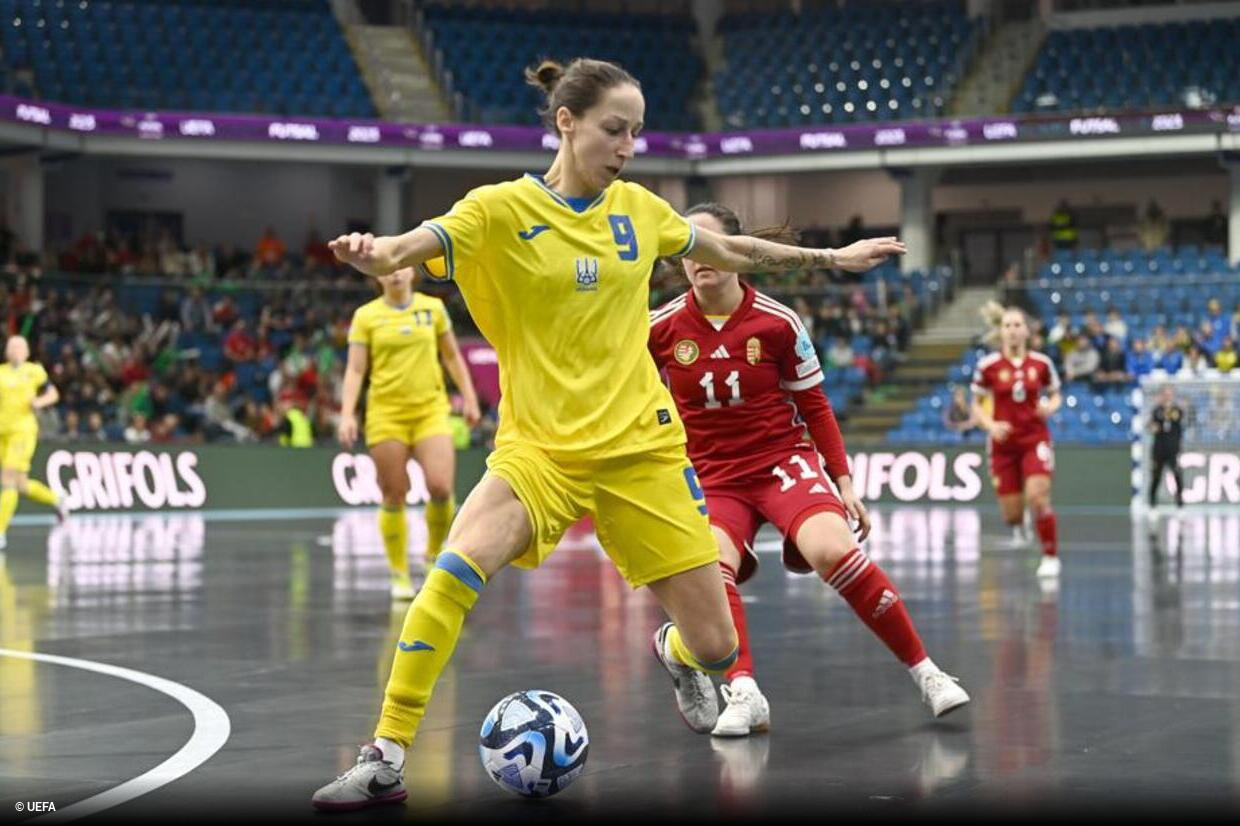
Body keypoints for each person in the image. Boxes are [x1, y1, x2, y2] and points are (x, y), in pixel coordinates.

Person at [312, 57, 906, 810]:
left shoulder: (640, 209)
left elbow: (729, 252)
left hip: (643, 451)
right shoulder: (496, 211)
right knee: (452, 575)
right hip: (539, 451)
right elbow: (404, 250)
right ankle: (385, 756)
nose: (627, 146)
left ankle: (674, 652)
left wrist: (832, 256)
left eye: (636, 133)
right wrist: (374, 253)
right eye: (614, 129)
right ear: (567, 121)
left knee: (718, 647)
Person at [649, 202, 970, 736]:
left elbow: (816, 406)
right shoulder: (658, 329)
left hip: (781, 461)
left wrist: (844, 484)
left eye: (710, 245)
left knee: (833, 549)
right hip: (710, 474)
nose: (699, 257)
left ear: (736, 250)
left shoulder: (778, 322)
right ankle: (745, 691)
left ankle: (928, 673)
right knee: (713, 564)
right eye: (689, 248)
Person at [337, 266, 481, 600]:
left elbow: (451, 356)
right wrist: (347, 414)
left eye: (400, 266)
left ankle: (432, 555)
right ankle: (399, 573)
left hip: (430, 410)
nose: (394, 274)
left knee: (441, 487)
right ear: (378, 278)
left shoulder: (433, 309)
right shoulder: (366, 316)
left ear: (412, 272)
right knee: (393, 493)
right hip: (386, 414)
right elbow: (356, 369)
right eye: (386, 270)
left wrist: (470, 398)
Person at [971, 304, 1064, 578]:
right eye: (1007, 326)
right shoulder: (987, 366)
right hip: (1003, 445)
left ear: (1026, 330)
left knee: (1038, 497)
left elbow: (1056, 394)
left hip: (1035, 438)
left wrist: (1050, 406)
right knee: (1011, 515)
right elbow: (976, 405)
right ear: (1000, 332)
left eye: (1017, 325)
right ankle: (1019, 520)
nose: (1012, 331)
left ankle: (1050, 556)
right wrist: (990, 425)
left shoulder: (1042, 363)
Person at [0, 336, 70, 549]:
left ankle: (0, 531)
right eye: (12, 346)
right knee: (19, 483)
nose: (16, 350)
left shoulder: (35, 371)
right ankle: (57, 500)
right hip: (2, 432)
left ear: (27, 351)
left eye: (20, 346)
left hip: (22, 432)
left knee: (8, 479)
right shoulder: (0, 372)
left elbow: (53, 394)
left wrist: (39, 401)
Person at [1147, 386, 1186, 510]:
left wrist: (1166, 410)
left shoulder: (1177, 410)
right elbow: (1152, 426)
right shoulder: (1156, 410)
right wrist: (1153, 426)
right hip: (1159, 448)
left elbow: (1175, 417)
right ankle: (1152, 501)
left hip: (1173, 449)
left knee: (1177, 473)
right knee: (1156, 474)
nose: (1167, 397)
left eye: (1169, 394)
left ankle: (1179, 500)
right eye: (1165, 394)